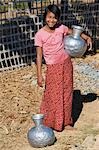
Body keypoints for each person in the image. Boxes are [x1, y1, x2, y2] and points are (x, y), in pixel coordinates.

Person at [34, 4, 92, 132]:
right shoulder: (40, 35)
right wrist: (39, 75)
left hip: (66, 64)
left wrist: (86, 37)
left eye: (55, 18)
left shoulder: (61, 28)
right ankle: (52, 122)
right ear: (45, 17)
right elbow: (39, 57)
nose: (52, 20)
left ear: (58, 19)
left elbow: (74, 32)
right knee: (53, 95)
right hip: (53, 67)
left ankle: (66, 122)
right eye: (49, 17)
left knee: (66, 93)